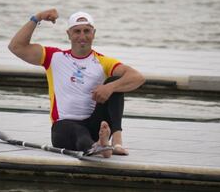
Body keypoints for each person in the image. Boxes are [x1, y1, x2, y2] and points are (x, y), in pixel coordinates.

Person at [8, 8, 145, 158]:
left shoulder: (103, 62)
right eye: (77, 31)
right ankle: (99, 146)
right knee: (79, 132)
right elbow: (16, 47)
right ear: (69, 34)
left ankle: (115, 142)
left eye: (87, 31)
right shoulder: (53, 57)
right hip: (63, 128)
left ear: (94, 33)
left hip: (94, 125)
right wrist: (38, 17)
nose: (82, 36)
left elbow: (138, 77)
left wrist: (110, 87)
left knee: (116, 82)